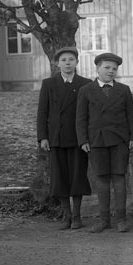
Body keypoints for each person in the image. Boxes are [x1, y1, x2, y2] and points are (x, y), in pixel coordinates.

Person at [76, 53, 133, 233]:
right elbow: (81, 118)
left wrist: (132, 138)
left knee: (119, 178)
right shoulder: (86, 90)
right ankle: (104, 220)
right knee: (101, 180)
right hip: (96, 140)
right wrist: (83, 140)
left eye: (114, 69)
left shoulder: (123, 90)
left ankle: (121, 219)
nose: (111, 71)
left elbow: (131, 116)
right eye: (107, 68)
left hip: (119, 140)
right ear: (97, 69)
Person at [36, 47, 91, 230]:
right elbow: (42, 112)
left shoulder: (85, 84)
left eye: (71, 60)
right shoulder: (49, 84)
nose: (67, 63)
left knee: (77, 177)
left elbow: (89, 113)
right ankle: (66, 216)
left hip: (77, 139)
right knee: (60, 178)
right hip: (56, 138)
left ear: (77, 62)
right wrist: (43, 137)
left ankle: (77, 216)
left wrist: (86, 138)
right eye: (64, 60)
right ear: (57, 64)